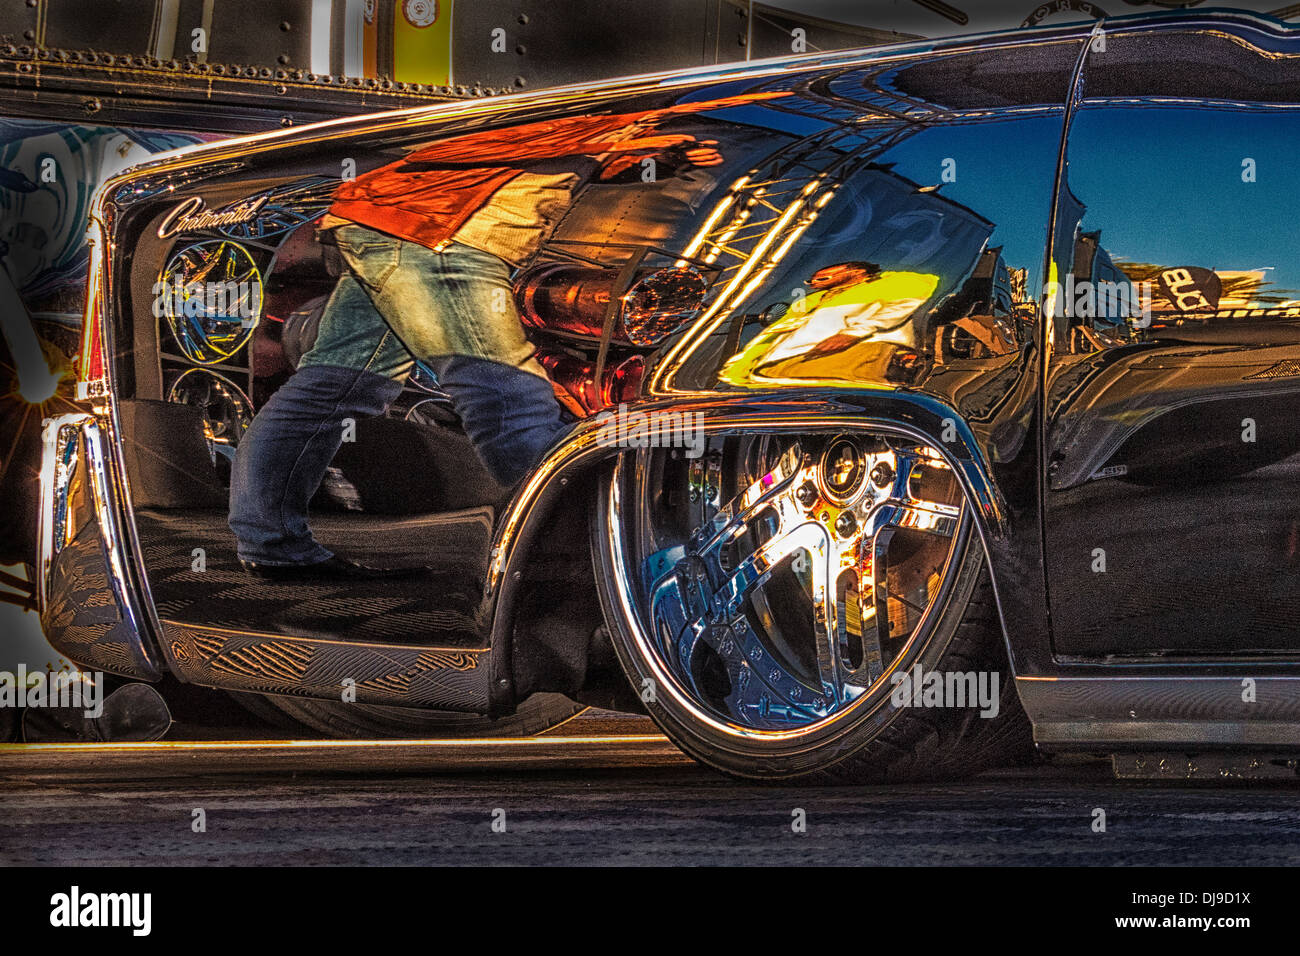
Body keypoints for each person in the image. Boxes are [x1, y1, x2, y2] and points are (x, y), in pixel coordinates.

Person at [227, 94, 772, 580]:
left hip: (398, 225)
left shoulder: (603, 103)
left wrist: (642, 154)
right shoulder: (580, 95)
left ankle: (271, 546)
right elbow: (497, 136)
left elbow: (543, 159)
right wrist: (631, 134)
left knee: (334, 389)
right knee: (508, 398)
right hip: (440, 237)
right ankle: (574, 568)